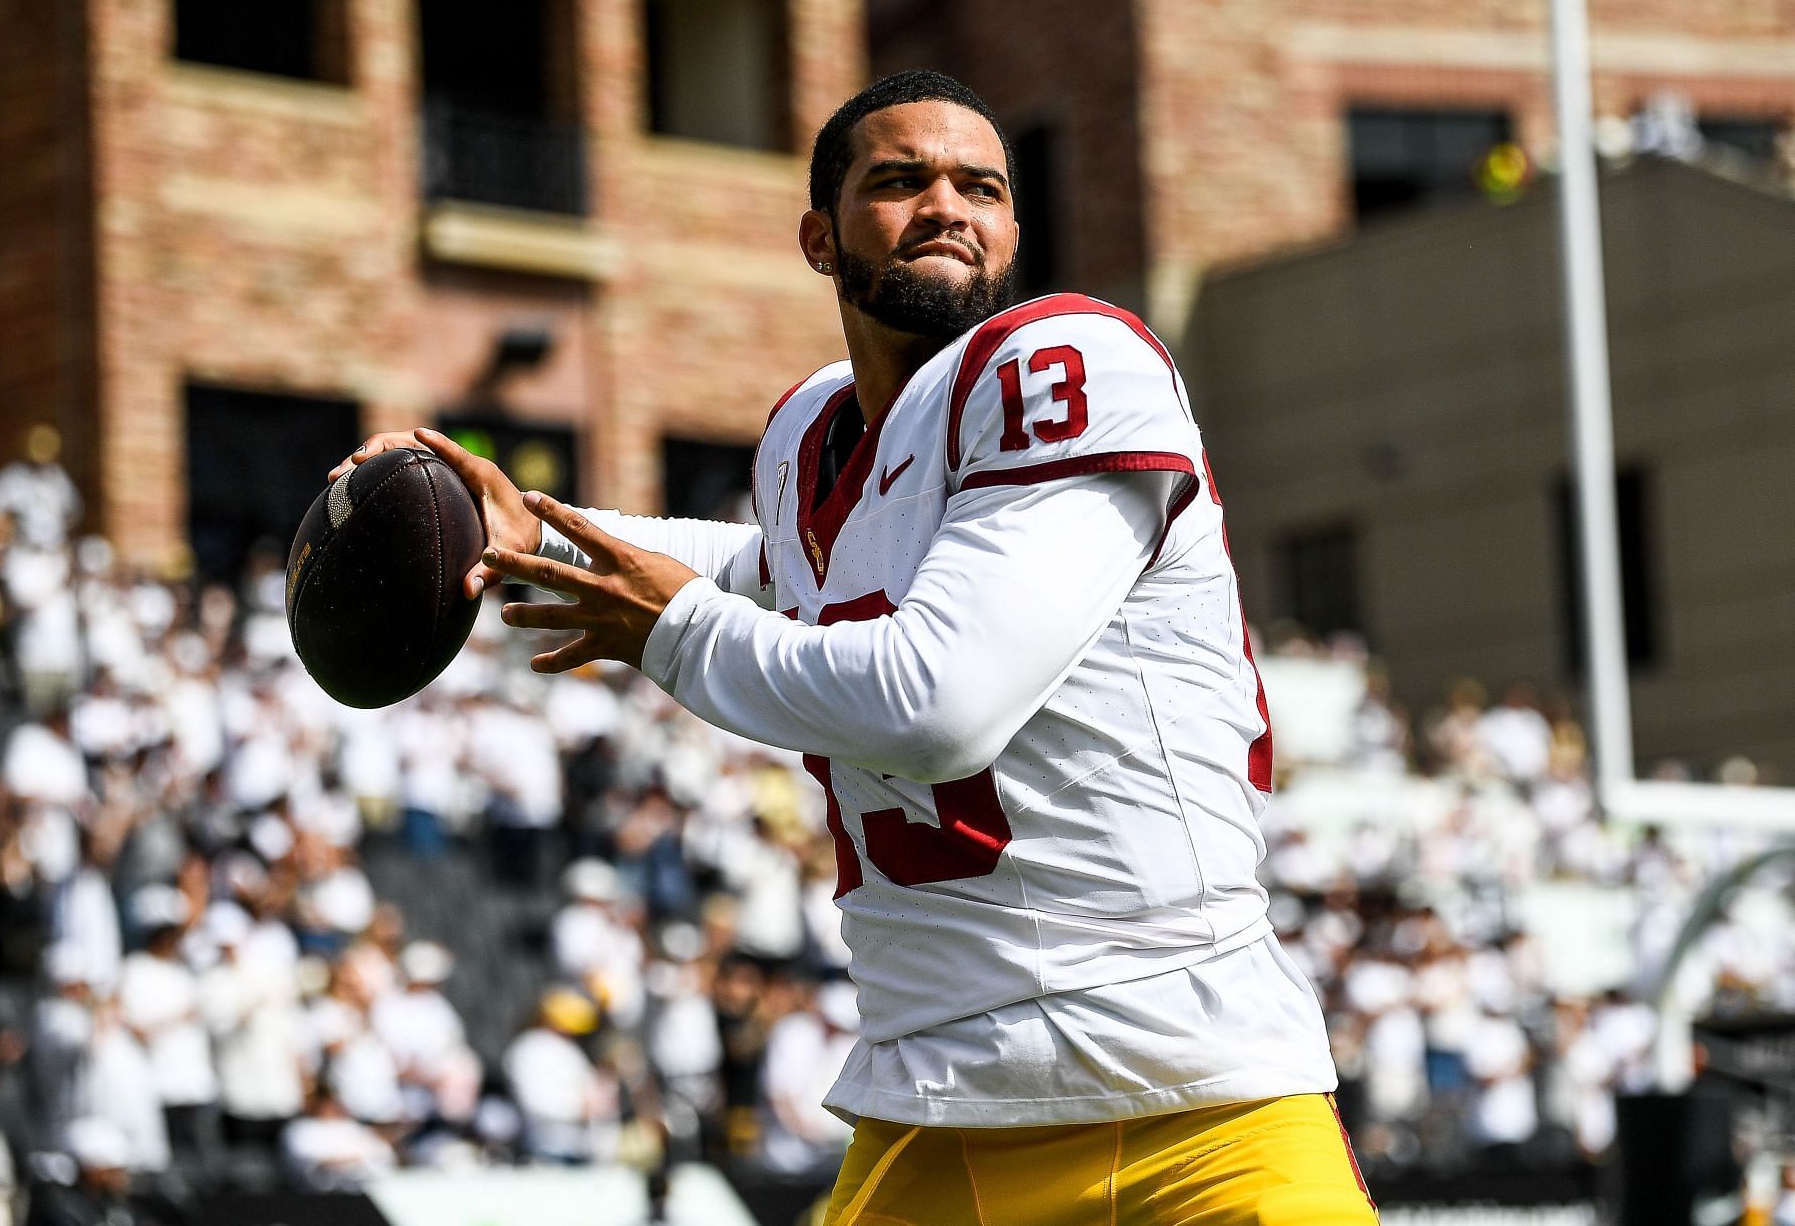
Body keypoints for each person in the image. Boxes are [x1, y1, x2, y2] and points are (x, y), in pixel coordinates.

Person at [334, 70, 1375, 1224]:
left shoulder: (1076, 365)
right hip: (945, 1110)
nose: (946, 206)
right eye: (900, 181)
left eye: (980, 186)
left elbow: (940, 704)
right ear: (820, 240)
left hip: (1199, 1108)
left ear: (1015, 230)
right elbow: (768, 570)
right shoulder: (816, 435)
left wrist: (673, 634)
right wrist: (535, 531)